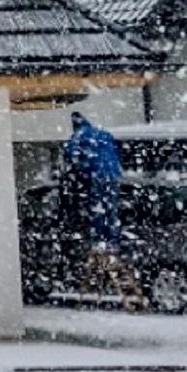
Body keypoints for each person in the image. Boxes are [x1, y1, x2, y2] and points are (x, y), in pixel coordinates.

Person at [61, 111, 138, 305]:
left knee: (98, 209)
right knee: (110, 209)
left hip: (98, 175)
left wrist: (80, 170)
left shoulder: (80, 136)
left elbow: (73, 155)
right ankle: (112, 239)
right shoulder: (102, 133)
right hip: (113, 174)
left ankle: (100, 239)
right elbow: (114, 148)